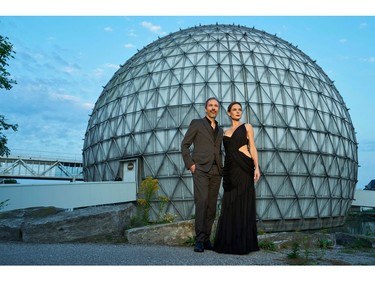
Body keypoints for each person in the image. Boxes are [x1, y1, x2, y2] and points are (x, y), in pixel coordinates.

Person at [213, 101, 261, 255]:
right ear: (229, 113)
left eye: (240, 109)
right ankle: (230, 241)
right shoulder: (224, 132)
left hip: (244, 166)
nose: (238, 111)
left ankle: (244, 242)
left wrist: (257, 166)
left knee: (244, 201)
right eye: (234, 109)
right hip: (230, 168)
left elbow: (252, 146)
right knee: (230, 202)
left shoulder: (247, 127)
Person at [181, 97, 224, 253]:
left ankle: (206, 239)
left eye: (216, 106)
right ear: (206, 109)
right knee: (202, 202)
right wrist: (191, 164)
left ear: (218, 109)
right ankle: (198, 240)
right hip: (200, 169)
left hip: (216, 171)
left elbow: (218, 150)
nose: (213, 108)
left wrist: (222, 168)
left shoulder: (220, 130)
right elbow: (184, 145)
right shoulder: (197, 123)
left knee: (211, 206)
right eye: (210, 105)